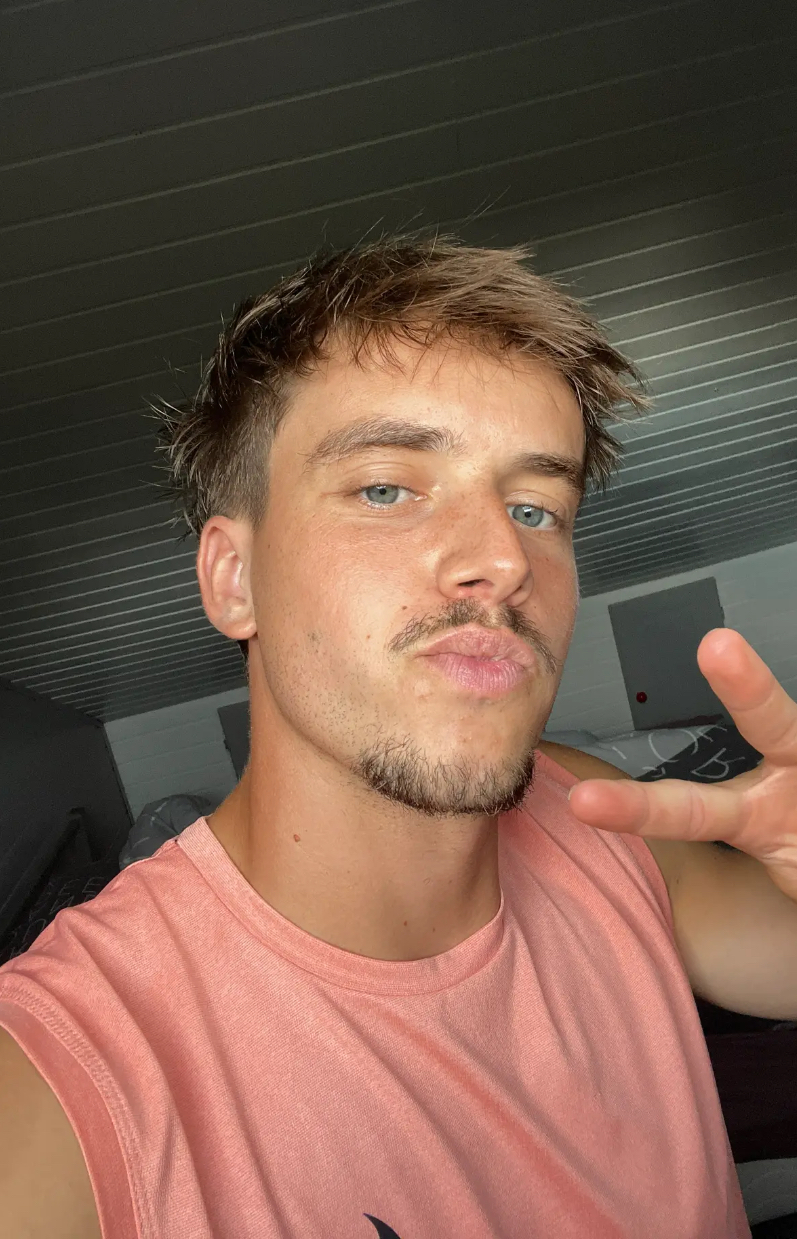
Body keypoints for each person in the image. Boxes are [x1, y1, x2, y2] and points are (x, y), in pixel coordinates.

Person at [2, 235, 796, 1239]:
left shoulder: (590, 813)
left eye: (535, 507)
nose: (503, 558)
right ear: (234, 580)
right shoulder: (62, 1076)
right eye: (386, 488)